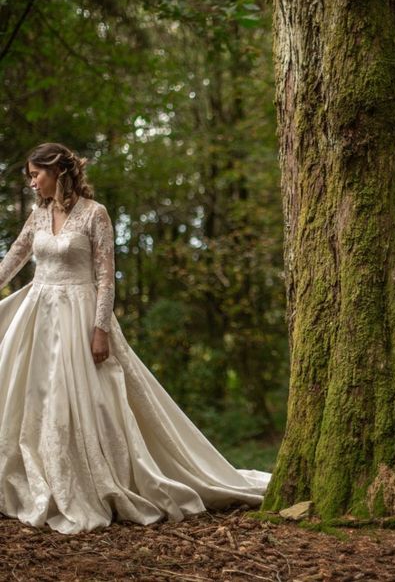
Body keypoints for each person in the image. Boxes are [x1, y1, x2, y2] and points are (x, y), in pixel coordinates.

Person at [0, 143, 270, 534]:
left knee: (91, 399)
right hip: (38, 314)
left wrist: (100, 329)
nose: (31, 182)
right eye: (29, 175)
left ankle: (96, 479)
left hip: (80, 312)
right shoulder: (38, 214)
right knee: (32, 395)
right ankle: (39, 474)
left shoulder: (96, 215)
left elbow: (106, 276)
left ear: (56, 172)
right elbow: (15, 257)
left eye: (35, 174)